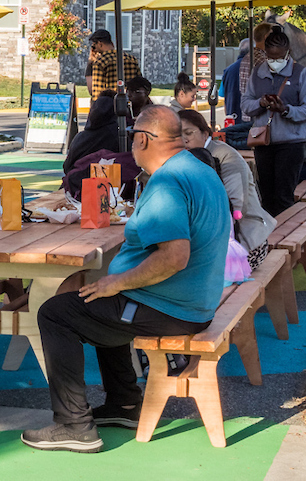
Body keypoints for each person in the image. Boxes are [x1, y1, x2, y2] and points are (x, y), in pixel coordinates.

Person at [21, 105, 229, 453]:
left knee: (56, 313)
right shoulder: (196, 168)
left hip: (173, 305)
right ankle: (125, 403)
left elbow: (174, 257)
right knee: (99, 297)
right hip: (193, 299)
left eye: (133, 138)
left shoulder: (168, 180)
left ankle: (74, 425)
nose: (130, 147)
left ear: (145, 140)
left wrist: (117, 282)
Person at [179, 110, 275, 268]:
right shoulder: (186, 159)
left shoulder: (225, 156)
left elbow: (237, 206)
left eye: (188, 133)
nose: (183, 139)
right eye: (177, 135)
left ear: (205, 133)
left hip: (245, 244)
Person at [240, 29, 306, 217]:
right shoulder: (257, 73)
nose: (275, 61)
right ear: (265, 53)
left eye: (279, 57)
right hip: (263, 142)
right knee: (266, 196)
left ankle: (287, 238)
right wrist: (261, 103)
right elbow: (246, 104)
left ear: (288, 52)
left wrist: (286, 110)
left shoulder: (301, 73)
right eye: (271, 57)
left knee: (283, 196)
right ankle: (269, 240)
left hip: (291, 143)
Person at [62, 91, 123, 199]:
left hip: (73, 189)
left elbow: (67, 166)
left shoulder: (80, 137)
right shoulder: (118, 136)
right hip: (105, 192)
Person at [85, 29, 140, 100]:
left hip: (110, 104)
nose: (95, 49)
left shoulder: (100, 62)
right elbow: (140, 83)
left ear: (100, 43)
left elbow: (97, 93)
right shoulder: (132, 59)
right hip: (131, 103)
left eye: (94, 45)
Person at [239, 23, 276, 120]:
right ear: (266, 37)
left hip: (247, 112)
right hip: (258, 115)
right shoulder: (262, 60)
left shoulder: (248, 57)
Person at [221, 40, 248, 122]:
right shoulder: (258, 68)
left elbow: (223, 96)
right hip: (251, 122)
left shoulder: (228, 71)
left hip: (232, 119)